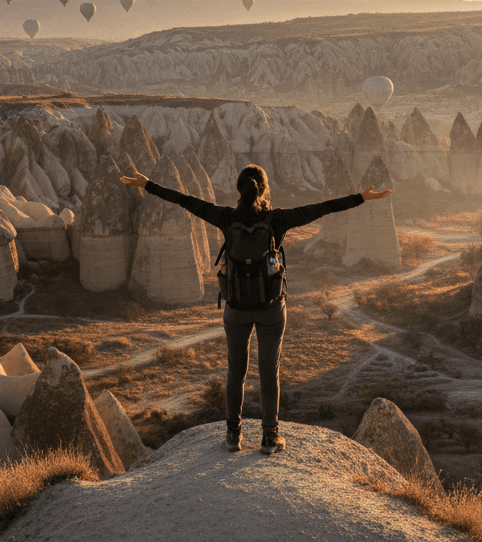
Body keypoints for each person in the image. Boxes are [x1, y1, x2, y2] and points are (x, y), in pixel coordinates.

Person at [122, 163, 391, 454]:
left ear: (240, 190)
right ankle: (269, 437)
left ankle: (233, 435)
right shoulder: (277, 220)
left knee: (235, 371)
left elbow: (187, 201)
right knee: (269, 372)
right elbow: (322, 208)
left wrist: (148, 185)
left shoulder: (226, 217)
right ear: (264, 190)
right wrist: (362, 197)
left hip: (235, 308)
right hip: (271, 308)